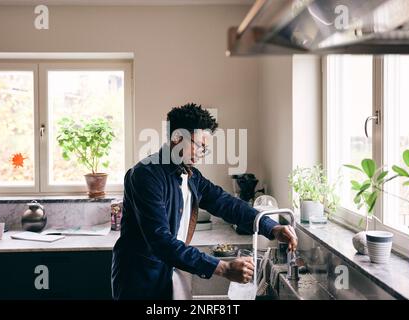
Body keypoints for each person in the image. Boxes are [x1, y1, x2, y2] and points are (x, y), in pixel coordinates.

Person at [111, 103, 297, 300]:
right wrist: (223, 267)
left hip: (170, 276)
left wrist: (272, 227)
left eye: (205, 149)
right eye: (198, 145)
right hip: (141, 283)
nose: (201, 152)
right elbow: (161, 241)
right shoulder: (145, 175)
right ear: (176, 138)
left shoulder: (192, 176)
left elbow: (225, 203)